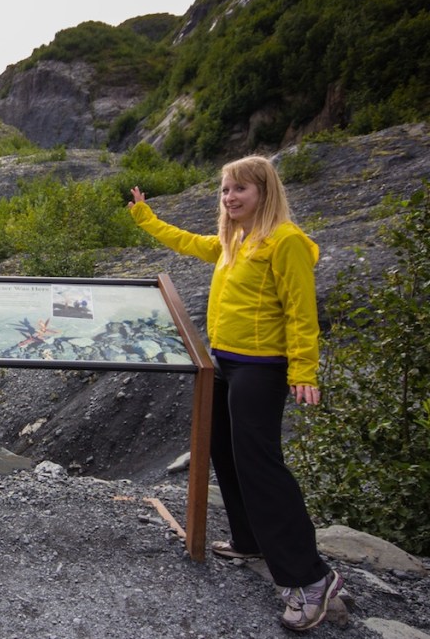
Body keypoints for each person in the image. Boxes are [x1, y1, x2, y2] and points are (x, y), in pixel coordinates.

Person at [126, 155, 342, 632]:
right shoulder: (234, 240)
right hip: (225, 361)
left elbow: (301, 311)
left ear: (264, 192)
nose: (230, 197)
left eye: (241, 189)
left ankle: (310, 579)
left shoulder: (284, 242)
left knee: (260, 466)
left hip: (262, 367)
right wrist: (145, 216)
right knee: (224, 452)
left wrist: (304, 369)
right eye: (225, 190)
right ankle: (249, 540)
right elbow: (186, 242)